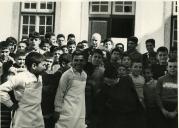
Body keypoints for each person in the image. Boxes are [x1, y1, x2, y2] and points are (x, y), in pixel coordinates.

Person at [0, 52, 46, 128]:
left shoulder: (39, 77)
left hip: (37, 116)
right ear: (34, 66)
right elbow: (1, 90)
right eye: (43, 65)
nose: (45, 67)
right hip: (23, 118)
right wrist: (10, 104)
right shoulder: (20, 77)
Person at [54, 51, 87, 128]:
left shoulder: (84, 75)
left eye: (81, 60)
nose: (78, 63)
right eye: (76, 60)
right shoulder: (67, 75)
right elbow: (60, 92)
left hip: (79, 109)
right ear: (72, 61)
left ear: (85, 61)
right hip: (67, 109)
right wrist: (57, 109)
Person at [156, 58, 178, 128]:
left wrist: (176, 112)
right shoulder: (160, 79)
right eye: (170, 66)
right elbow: (157, 95)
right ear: (167, 68)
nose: (173, 69)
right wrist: (163, 110)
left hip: (176, 106)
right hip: (163, 106)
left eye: (175, 67)